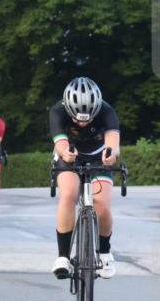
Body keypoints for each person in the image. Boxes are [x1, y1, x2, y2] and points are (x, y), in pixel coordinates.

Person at [49, 77, 120, 280]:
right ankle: (63, 257)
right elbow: (60, 143)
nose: (82, 122)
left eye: (88, 118)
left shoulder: (107, 112)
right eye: (77, 118)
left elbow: (113, 144)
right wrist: (64, 153)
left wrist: (111, 155)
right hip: (70, 154)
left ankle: (105, 253)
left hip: (99, 156)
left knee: (102, 205)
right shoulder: (57, 111)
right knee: (69, 194)